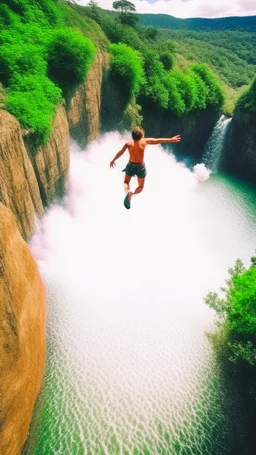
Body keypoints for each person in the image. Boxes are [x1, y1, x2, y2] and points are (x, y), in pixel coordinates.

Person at [110, 127, 181, 209]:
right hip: (140, 166)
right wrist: (171, 139)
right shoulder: (144, 141)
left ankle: (128, 192)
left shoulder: (128, 143)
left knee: (126, 182)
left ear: (132, 136)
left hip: (131, 165)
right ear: (141, 136)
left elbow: (121, 152)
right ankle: (132, 193)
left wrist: (113, 160)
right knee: (140, 187)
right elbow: (157, 140)